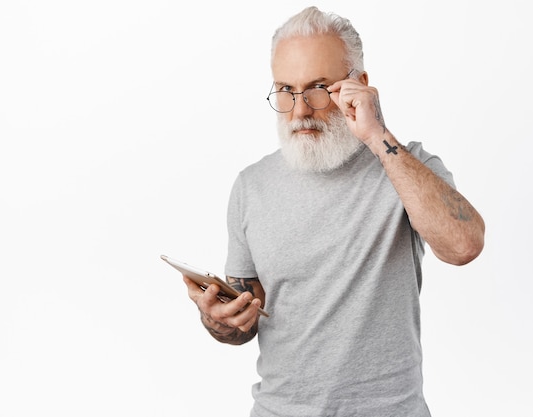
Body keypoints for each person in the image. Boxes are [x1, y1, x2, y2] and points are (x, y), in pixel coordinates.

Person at [183, 6, 485, 417]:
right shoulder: (251, 186)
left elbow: (464, 246)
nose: (300, 109)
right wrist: (220, 319)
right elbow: (246, 321)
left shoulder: (407, 166)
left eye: (318, 88)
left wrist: (378, 137)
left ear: (358, 85)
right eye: (285, 89)